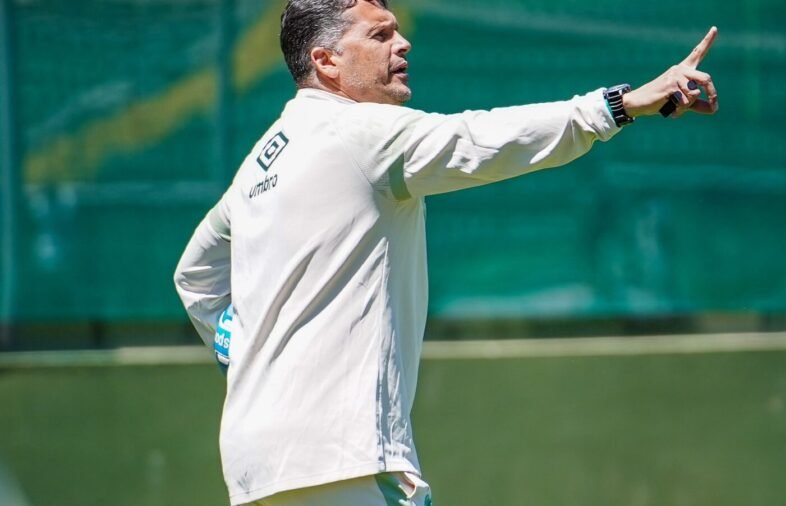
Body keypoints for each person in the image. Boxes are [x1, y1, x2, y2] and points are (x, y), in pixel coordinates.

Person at [174, 0, 719, 504]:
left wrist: (245, 351)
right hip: (343, 459)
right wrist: (618, 106)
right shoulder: (360, 131)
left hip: (257, 468)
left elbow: (195, 275)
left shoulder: (263, 160)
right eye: (380, 35)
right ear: (326, 61)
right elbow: (480, 138)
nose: (403, 42)